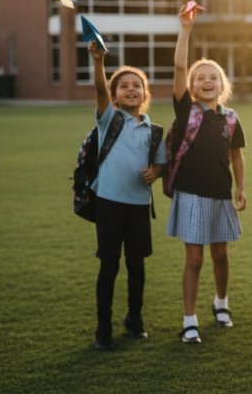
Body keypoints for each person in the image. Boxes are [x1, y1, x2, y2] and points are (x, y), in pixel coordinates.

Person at [167, 3, 247, 345]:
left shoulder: (229, 118)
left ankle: (221, 304)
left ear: (222, 84)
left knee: (220, 255)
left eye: (213, 77)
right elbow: (180, 64)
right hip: (190, 195)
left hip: (219, 195)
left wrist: (240, 188)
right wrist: (186, 30)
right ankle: (189, 319)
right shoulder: (187, 112)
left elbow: (236, 155)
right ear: (192, 86)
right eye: (201, 78)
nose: (207, 81)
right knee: (195, 258)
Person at [88, 44, 167, 351]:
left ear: (145, 95)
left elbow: (160, 163)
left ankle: (134, 320)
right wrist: (100, 62)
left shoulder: (154, 131)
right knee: (109, 266)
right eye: (124, 86)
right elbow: (98, 87)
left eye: (137, 86)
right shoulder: (110, 119)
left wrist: (155, 173)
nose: (131, 89)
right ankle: (103, 328)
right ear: (115, 95)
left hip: (138, 207)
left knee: (137, 265)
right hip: (108, 204)